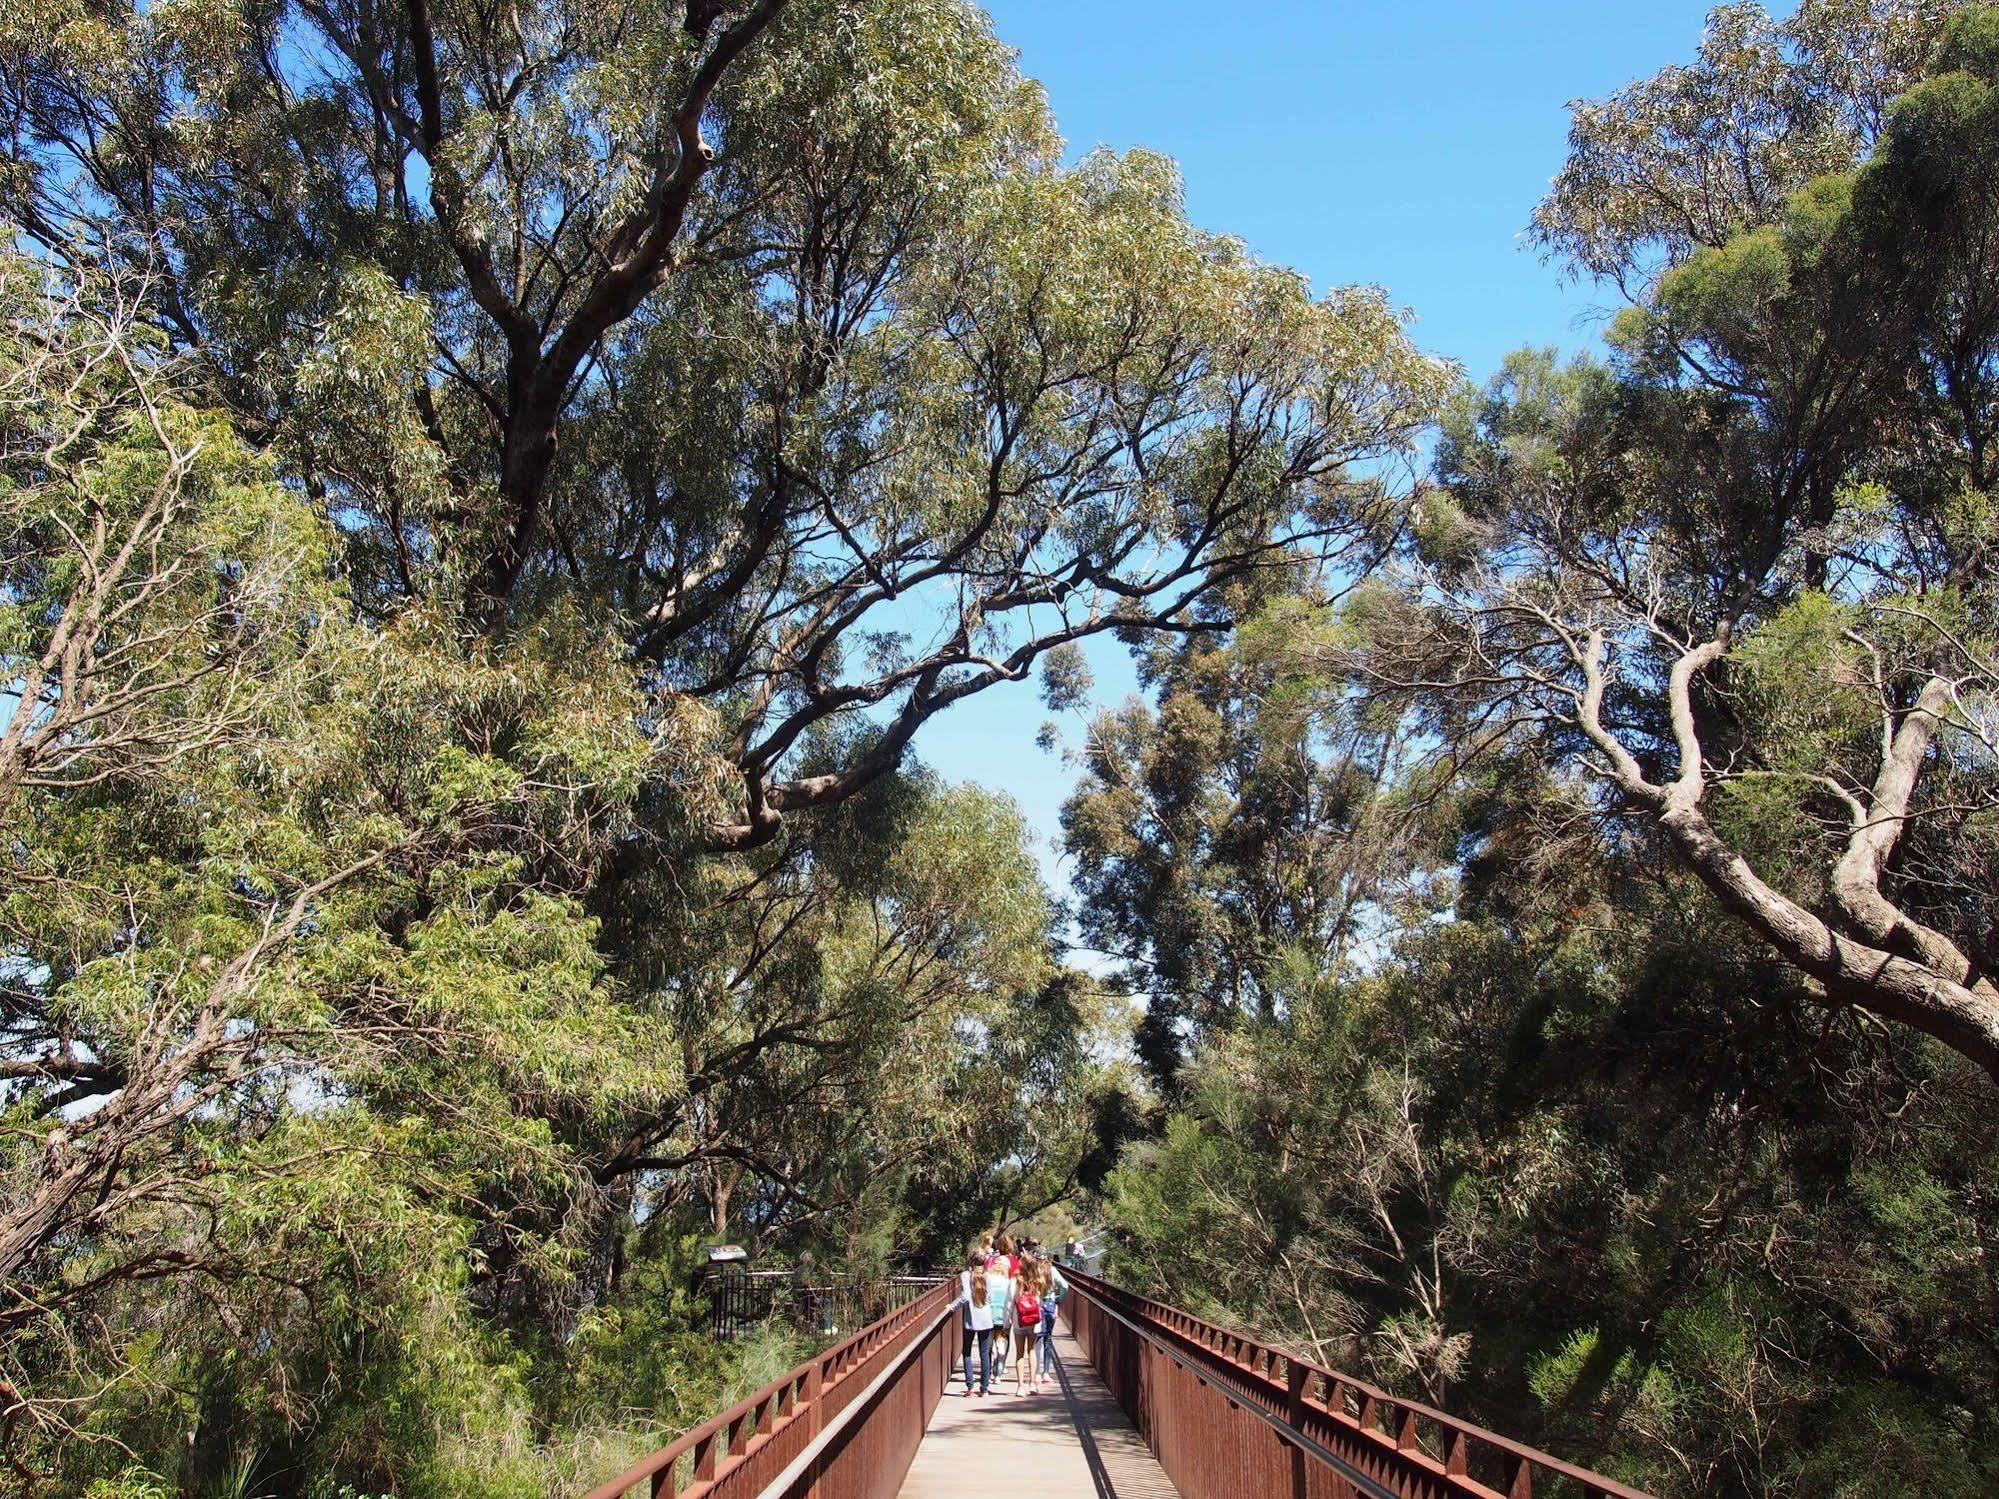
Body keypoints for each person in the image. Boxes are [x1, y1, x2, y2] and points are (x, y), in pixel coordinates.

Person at [959, 1252, 993, 1397]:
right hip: (985, 1319)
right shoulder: (988, 1276)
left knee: (967, 1351)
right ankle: (984, 1388)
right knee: (984, 1353)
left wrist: (951, 1307)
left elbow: (965, 1296)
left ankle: (970, 1387)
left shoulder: (966, 1275)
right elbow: (989, 1296)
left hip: (970, 1319)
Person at [1036, 1257, 1067, 1391]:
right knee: (1048, 1338)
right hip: (1050, 1304)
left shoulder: (1035, 1270)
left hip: (1037, 1305)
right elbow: (1065, 1286)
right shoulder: (1052, 1270)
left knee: (1037, 1338)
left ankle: (1037, 1372)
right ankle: (1046, 1373)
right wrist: (1059, 1298)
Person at [1010, 1265, 1042, 1395]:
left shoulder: (1015, 1285)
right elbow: (1039, 1303)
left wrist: (1007, 1323)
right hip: (1033, 1323)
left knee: (1019, 1353)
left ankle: (1020, 1387)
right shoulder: (1035, 1284)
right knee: (1031, 1350)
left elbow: (1009, 1304)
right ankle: (1033, 1383)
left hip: (1019, 1323)